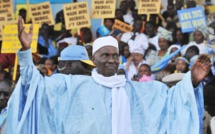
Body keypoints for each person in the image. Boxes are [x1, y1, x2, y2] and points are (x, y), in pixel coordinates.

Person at [6, 16, 212, 134]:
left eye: (115, 55)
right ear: (94, 59)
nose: (112, 60)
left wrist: (191, 80)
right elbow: (34, 85)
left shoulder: (136, 89)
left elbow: (170, 100)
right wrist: (25, 51)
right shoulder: (73, 85)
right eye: (105, 55)